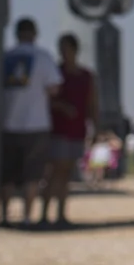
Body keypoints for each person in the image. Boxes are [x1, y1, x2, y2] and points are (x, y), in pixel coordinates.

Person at [0, 17, 62, 228]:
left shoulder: (5, 57)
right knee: (32, 174)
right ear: (34, 34)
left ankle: (5, 215)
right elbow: (54, 88)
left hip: (7, 121)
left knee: (6, 174)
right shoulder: (43, 57)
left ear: (16, 34)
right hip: (36, 123)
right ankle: (27, 216)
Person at [44, 32, 97, 227]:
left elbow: (92, 103)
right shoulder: (56, 74)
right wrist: (61, 107)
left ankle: (60, 214)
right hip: (58, 129)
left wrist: (96, 129)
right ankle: (44, 214)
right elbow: (47, 99)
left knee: (66, 174)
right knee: (54, 171)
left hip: (76, 129)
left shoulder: (86, 76)